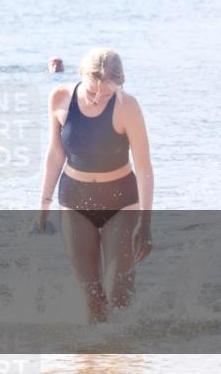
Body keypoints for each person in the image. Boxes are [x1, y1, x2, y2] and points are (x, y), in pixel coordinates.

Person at [36, 48, 153, 323]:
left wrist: (145, 224)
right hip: (75, 202)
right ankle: (93, 360)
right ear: (80, 74)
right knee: (92, 300)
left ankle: (122, 358)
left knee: (118, 294)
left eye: (108, 93)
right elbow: (55, 154)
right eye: (92, 92)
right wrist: (43, 206)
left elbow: (144, 167)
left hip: (120, 202)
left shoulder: (128, 107)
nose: (99, 97)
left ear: (119, 85)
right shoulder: (60, 98)